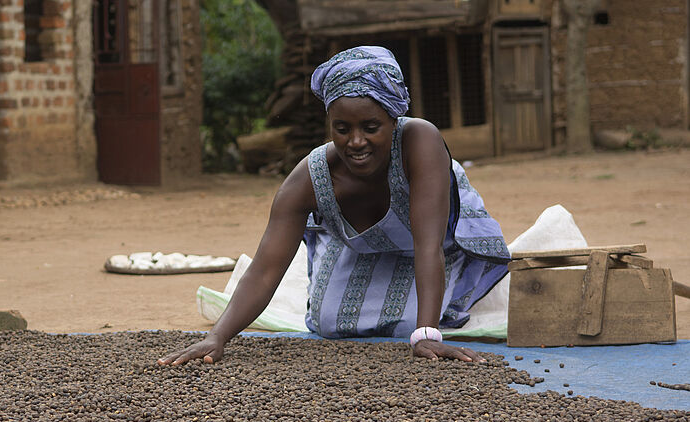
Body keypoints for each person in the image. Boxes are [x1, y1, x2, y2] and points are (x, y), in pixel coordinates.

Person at [158, 46, 510, 365]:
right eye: (342, 128)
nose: (356, 142)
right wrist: (216, 337)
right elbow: (265, 269)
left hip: (433, 245)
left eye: (371, 127)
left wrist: (427, 334)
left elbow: (427, 245)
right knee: (331, 322)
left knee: (408, 324)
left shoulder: (421, 142)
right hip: (360, 249)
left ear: (393, 121)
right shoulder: (310, 177)